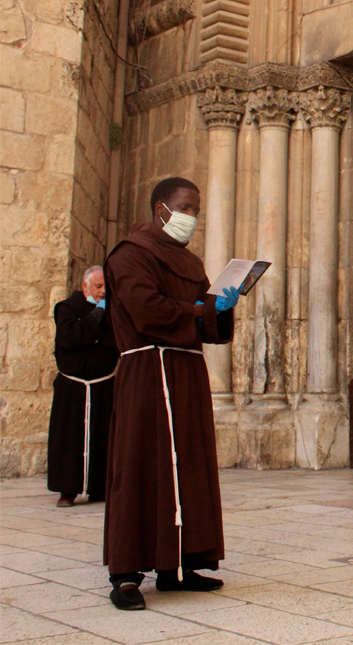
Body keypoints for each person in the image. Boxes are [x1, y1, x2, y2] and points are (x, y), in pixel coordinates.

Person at [102, 177, 240, 610]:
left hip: (186, 372)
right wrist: (202, 310)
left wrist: (222, 306)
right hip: (147, 371)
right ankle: (126, 573)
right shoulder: (130, 254)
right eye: (185, 208)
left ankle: (178, 566)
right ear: (160, 207)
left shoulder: (190, 262)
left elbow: (207, 320)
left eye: (196, 210)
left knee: (189, 465)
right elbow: (147, 311)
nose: (191, 217)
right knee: (142, 464)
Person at [47, 266, 119, 507]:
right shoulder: (67, 308)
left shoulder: (113, 311)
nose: (103, 291)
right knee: (69, 439)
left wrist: (91, 335)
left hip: (102, 384)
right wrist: (95, 320)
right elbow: (69, 337)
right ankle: (68, 490)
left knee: (102, 438)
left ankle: (100, 488)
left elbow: (112, 341)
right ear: (85, 286)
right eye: (98, 286)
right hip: (73, 386)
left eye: (106, 287)